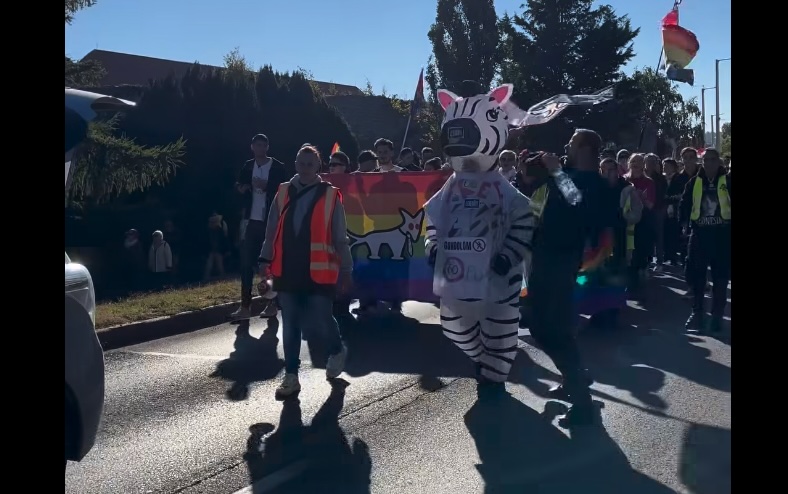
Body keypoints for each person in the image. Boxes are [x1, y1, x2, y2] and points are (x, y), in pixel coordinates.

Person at [527, 129, 609, 427]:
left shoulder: (593, 181)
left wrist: (556, 171)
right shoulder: (566, 174)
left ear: (585, 149)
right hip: (544, 255)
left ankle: (583, 403)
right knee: (539, 324)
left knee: (552, 328)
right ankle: (573, 375)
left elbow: (576, 202)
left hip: (563, 259)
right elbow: (534, 192)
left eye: (572, 142)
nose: (566, 145)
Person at [258, 145, 353, 397]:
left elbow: (340, 236)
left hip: (319, 270)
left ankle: (336, 350)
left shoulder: (330, 195)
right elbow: (271, 230)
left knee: (322, 316)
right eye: (301, 163)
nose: (305, 168)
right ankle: (291, 375)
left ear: (318, 166)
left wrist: (346, 268)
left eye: (310, 164)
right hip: (287, 267)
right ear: (295, 164)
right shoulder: (283, 191)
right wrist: (264, 259)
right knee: (290, 321)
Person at [230, 134, 292, 321]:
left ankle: (272, 303)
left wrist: (267, 186)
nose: (261, 149)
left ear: (267, 147)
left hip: (270, 221)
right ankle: (245, 306)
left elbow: (286, 190)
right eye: (257, 145)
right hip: (251, 220)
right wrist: (241, 188)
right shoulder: (248, 166)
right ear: (252, 147)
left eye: (264, 145)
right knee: (246, 263)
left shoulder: (277, 167)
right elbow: (238, 185)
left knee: (268, 264)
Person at [679, 148, 730, 333]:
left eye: (712, 159)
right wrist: (684, 225)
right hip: (700, 235)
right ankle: (697, 313)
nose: (708, 163)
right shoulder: (694, 182)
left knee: (721, 278)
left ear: (719, 162)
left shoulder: (728, 181)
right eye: (706, 160)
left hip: (723, 236)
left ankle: (717, 316)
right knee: (697, 276)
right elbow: (684, 204)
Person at [662, 158, 683, 265]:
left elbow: (680, 194)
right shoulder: (661, 178)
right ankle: (666, 254)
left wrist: (669, 198)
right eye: (664, 166)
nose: (665, 168)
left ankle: (673, 256)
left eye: (668, 166)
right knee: (664, 232)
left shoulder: (678, 178)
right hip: (663, 209)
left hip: (674, 209)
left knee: (674, 232)